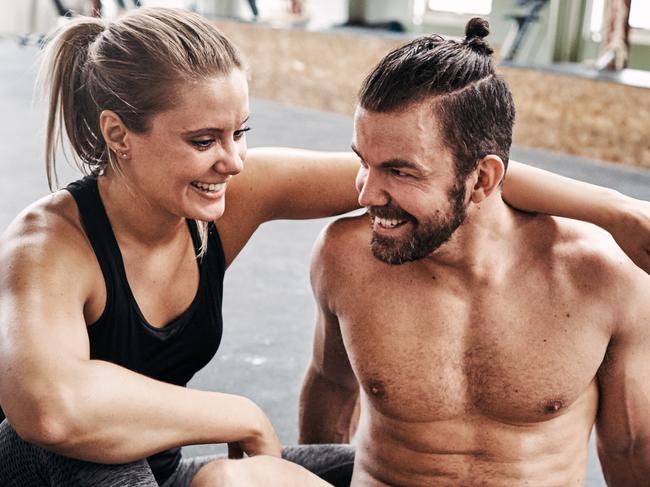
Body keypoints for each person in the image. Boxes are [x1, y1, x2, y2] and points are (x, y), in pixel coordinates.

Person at [0, 7, 647, 487]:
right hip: (65, 460)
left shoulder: (222, 191)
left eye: (241, 133)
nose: (233, 160)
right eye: (205, 140)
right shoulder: (47, 243)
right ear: (119, 135)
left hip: (155, 451)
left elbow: (449, 180)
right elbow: (53, 409)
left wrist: (621, 213)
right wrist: (243, 411)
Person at [299, 17, 650, 486]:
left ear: (482, 179)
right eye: (364, 163)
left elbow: (631, 448)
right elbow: (332, 384)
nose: (365, 195)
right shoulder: (345, 257)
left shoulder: (602, 277)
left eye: (400, 173)